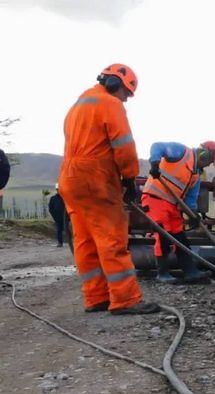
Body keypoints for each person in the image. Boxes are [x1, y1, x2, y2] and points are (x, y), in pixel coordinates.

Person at [58, 63, 159, 315]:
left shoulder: (77, 106)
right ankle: (125, 299)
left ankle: (96, 297)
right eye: (126, 93)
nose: (125, 100)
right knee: (112, 237)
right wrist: (129, 179)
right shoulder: (110, 104)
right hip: (96, 178)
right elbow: (124, 145)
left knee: (85, 240)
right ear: (114, 84)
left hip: (70, 178)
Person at [141, 141, 215, 283]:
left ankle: (190, 271)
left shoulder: (196, 175)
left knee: (180, 237)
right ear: (204, 154)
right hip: (155, 199)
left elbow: (190, 200)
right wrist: (154, 162)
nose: (209, 165)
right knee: (163, 235)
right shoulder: (181, 152)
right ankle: (163, 273)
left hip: (173, 206)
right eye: (210, 161)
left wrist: (193, 215)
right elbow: (157, 146)